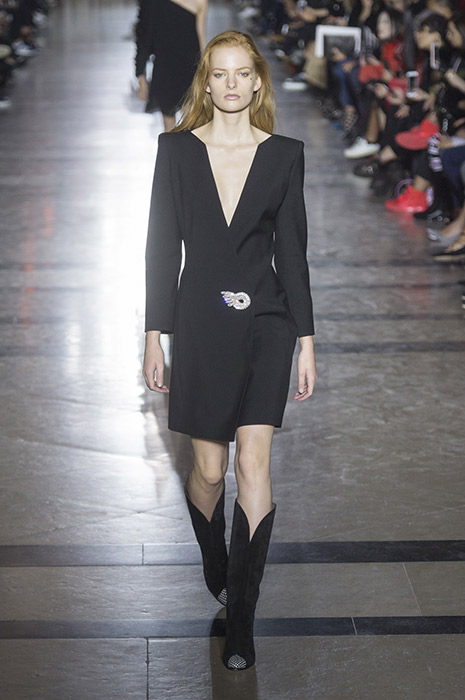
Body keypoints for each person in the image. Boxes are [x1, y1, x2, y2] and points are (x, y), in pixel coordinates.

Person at [142, 30, 316, 670]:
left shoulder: (284, 155)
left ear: (258, 81)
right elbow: (162, 245)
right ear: (206, 82)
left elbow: (292, 254)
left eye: (243, 73)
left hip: (266, 321)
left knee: (253, 460)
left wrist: (305, 340)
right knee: (210, 471)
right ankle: (216, 558)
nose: (232, 84)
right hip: (199, 321)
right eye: (221, 74)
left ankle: (241, 618)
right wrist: (154, 335)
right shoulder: (177, 150)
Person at [135, 0, 208, 131]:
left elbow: (201, 38)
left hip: (190, 68)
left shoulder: (200, 1)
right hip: (165, 68)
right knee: (169, 126)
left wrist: (205, 71)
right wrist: (141, 75)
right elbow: (144, 36)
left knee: (193, 123)